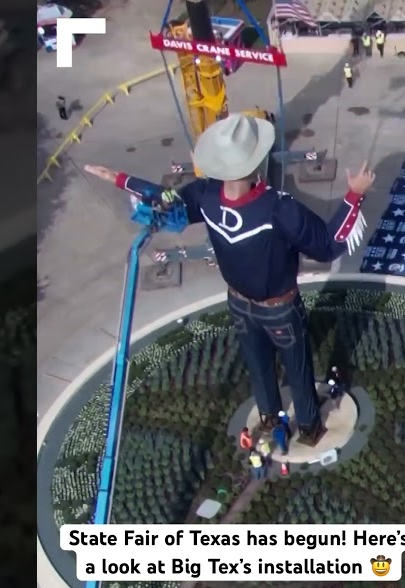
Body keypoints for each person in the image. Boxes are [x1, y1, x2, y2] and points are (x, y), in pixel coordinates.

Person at [84, 115, 375, 446]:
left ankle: (269, 418)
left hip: (238, 302)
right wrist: (354, 196)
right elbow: (327, 245)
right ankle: (309, 427)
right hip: (279, 307)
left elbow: (167, 202)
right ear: (257, 161)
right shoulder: (279, 208)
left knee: (257, 365)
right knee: (297, 367)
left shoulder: (205, 195)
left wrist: (122, 179)